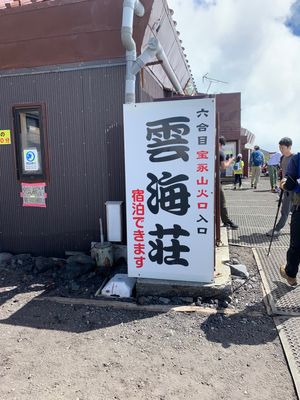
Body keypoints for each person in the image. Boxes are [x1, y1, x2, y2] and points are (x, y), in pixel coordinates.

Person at [279, 152, 300, 286]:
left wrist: (283, 184)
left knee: (296, 244)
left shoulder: (297, 159)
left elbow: (290, 184)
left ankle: (290, 274)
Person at [266, 137, 294, 237]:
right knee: (288, 209)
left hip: (294, 188)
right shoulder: (282, 158)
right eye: (280, 148)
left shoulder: (295, 158)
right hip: (285, 187)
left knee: (286, 209)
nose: (281, 150)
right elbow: (283, 172)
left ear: (289, 147)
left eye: (283, 148)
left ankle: (277, 229)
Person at [219, 136, 238, 229]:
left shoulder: (207, 151)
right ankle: (226, 221)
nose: (222, 147)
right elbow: (223, 166)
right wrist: (230, 160)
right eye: (222, 145)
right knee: (222, 201)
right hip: (215, 181)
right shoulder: (220, 152)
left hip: (203, 181)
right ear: (221, 144)